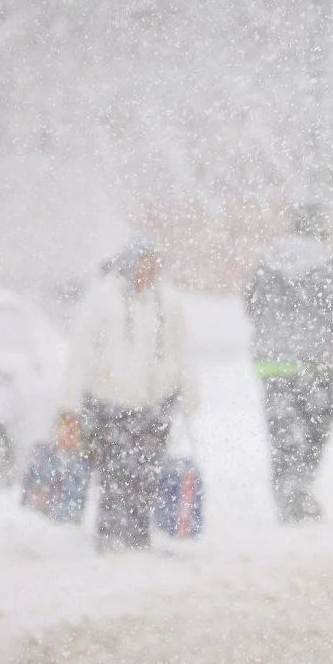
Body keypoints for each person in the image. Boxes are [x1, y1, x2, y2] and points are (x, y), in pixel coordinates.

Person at [58, 236, 198, 552]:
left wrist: (189, 393)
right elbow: (81, 349)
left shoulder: (167, 302)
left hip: (155, 404)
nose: (147, 272)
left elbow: (184, 350)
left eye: (153, 265)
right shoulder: (103, 298)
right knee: (113, 474)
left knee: (146, 475)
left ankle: (137, 535)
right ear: (128, 264)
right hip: (109, 403)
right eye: (142, 264)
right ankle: (110, 534)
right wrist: (69, 402)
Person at [244, 203, 333, 522]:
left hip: (274, 362)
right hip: (315, 362)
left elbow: (250, 304)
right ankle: (300, 486)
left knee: (282, 430)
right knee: (316, 425)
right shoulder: (332, 263)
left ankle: (286, 489)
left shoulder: (269, 260)